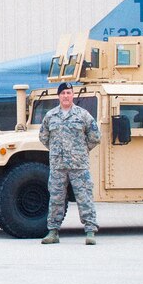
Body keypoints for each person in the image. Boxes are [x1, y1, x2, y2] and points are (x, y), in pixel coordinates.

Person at [38, 82, 101, 245]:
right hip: (58, 165)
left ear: (73, 95)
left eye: (69, 92)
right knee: (56, 198)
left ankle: (90, 231)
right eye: (63, 93)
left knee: (84, 197)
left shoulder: (83, 115)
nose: (66, 96)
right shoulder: (50, 116)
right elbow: (44, 137)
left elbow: (95, 136)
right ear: (58, 96)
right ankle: (53, 231)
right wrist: (57, 150)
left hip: (79, 165)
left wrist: (80, 150)